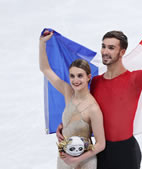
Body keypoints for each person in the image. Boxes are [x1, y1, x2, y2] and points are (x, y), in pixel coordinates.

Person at [57, 12, 142, 169]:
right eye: (103, 46)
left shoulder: (133, 80)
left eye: (111, 48)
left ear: (122, 52)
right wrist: (66, 124)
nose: (105, 51)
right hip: (102, 151)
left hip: (127, 152)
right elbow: (82, 108)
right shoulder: (95, 82)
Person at [39, 31, 106, 169]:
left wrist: (77, 160)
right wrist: (42, 43)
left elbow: (101, 144)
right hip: (65, 157)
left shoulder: (93, 108)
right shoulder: (67, 91)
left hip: (86, 161)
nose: (75, 80)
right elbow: (45, 69)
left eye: (80, 76)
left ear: (88, 77)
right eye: (72, 76)